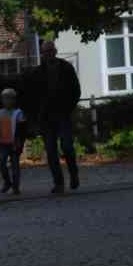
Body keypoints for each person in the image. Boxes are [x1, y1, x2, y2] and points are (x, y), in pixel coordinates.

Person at [29, 39, 82, 194]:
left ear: (55, 51)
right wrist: (37, 116)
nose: (48, 54)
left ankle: (73, 174)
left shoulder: (66, 68)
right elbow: (33, 98)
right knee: (51, 151)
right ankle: (58, 183)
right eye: (45, 52)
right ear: (43, 54)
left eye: (50, 51)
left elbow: (75, 90)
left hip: (63, 114)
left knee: (67, 147)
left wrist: (69, 107)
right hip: (46, 117)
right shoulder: (37, 73)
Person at [0, 86, 25, 194]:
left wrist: (20, 142)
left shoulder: (18, 113)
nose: (7, 101)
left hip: (14, 144)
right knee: (1, 162)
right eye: (5, 98)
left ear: (14, 100)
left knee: (15, 166)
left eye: (9, 98)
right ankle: (7, 182)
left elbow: (22, 130)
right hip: (2, 143)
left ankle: (16, 186)